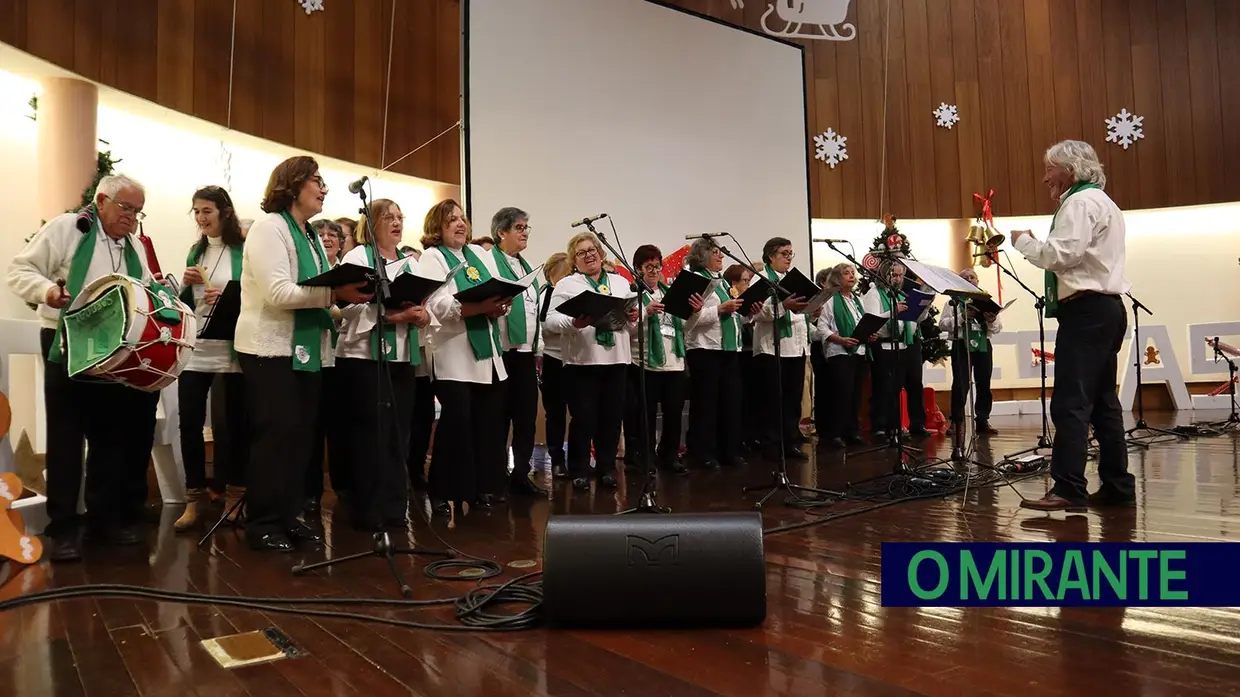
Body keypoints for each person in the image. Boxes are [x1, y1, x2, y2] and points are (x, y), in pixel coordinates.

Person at [8, 174, 163, 561]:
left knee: (109, 435)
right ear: (102, 199)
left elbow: (141, 288)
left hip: (113, 348)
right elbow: (19, 270)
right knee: (66, 436)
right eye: (126, 208)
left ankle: (103, 521)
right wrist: (48, 292)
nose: (131, 218)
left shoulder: (135, 247)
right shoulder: (69, 228)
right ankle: (62, 528)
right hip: (67, 339)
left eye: (137, 212)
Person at [235, 155, 372, 551]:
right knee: (275, 438)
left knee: (300, 440)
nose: (324, 188)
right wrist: (334, 293)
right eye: (317, 180)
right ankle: (261, 523)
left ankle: (287, 515)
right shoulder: (269, 228)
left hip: (306, 350)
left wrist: (344, 307)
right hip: (270, 350)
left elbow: (313, 296)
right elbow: (279, 293)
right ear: (293, 185)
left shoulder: (309, 234)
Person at [1011, 139, 1133, 511]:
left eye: (1050, 168)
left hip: (1086, 312)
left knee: (1071, 403)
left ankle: (1068, 488)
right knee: (1102, 404)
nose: (1045, 177)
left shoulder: (1078, 202)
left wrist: (1024, 243)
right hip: (1106, 310)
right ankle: (1116, 487)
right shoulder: (1103, 202)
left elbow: (1062, 255)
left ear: (1071, 169)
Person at [334, 199, 430, 530]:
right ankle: (368, 510)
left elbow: (423, 303)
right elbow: (347, 308)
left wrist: (421, 314)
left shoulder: (409, 262)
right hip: (365, 359)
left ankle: (394, 508)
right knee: (370, 435)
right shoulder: (358, 257)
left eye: (400, 217)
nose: (396, 222)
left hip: (402, 356)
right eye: (388, 217)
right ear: (371, 223)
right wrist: (391, 315)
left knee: (398, 436)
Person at [417, 199, 511, 518]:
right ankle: (443, 491)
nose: (460, 224)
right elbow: (438, 306)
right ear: (436, 228)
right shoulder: (432, 258)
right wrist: (481, 307)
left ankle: (482, 487)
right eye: (451, 220)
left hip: (486, 355)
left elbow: (496, 291)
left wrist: (501, 303)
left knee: (487, 425)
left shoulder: (478, 255)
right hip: (453, 353)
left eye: (462, 218)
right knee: (456, 426)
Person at [174, 185, 248, 532]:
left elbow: (256, 294)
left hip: (231, 347)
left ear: (225, 212)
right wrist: (186, 286)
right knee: (188, 422)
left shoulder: (243, 250)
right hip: (196, 347)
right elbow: (186, 304)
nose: (201, 218)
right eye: (197, 212)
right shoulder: (195, 251)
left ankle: (234, 494)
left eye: (207, 211)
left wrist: (231, 295)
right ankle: (194, 499)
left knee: (231, 424)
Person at [545, 231, 639, 490]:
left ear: (601, 253)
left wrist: (633, 319)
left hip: (617, 360)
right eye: (582, 252)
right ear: (574, 260)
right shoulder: (568, 285)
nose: (589, 255)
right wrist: (574, 322)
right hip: (582, 362)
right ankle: (579, 469)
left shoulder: (620, 283)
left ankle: (607, 468)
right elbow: (550, 321)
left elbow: (630, 329)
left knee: (611, 418)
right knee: (584, 419)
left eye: (592, 250)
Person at [490, 207, 548, 496]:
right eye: (519, 227)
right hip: (500, 352)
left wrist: (537, 350)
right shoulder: (489, 262)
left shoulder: (528, 268)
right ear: (502, 232)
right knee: (499, 418)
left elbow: (533, 312)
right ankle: (496, 475)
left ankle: (521, 475)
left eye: (527, 227)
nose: (525, 232)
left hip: (524, 354)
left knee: (525, 418)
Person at [623, 245, 689, 476]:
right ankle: (645, 458)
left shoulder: (670, 293)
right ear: (638, 270)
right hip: (644, 363)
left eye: (657, 266)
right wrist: (645, 313)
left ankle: (669, 456)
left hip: (674, 362)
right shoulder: (632, 295)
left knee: (673, 413)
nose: (654, 270)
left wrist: (696, 312)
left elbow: (684, 327)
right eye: (648, 266)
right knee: (645, 415)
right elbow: (626, 330)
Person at [682, 239, 747, 470]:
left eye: (721, 253)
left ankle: (728, 450)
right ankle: (704, 452)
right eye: (716, 253)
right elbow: (687, 320)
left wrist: (745, 312)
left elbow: (732, 316)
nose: (721, 257)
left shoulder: (720, 282)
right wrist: (719, 309)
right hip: (704, 349)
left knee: (730, 402)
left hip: (728, 349)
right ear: (702, 256)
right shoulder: (695, 280)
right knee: (706, 404)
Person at [751, 237, 814, 460]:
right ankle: (771, 445)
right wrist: (783, 306)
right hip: (771, 348)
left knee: (792, 399)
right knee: (772, 400)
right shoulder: (760, 280)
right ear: (771, 256)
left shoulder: (792, 280)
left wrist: (811, 310)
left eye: (790, 253)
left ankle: (791, 442)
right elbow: (755, 314)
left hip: (796, 347)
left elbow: (800, 312)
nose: (788, 258)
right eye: (784, 253)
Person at [862, 260, 929, 439]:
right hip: (884, 345)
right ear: (884, 274)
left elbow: (914, 319)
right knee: (885, 388)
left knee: (908, 385)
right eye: (894, 275)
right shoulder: (874, 294)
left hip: (905, 343)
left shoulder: (899, 294)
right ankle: (881, 426)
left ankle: (909, 424)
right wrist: (894, 310)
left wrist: (923, 307)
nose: (898, 279)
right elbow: (872, 320)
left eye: (901, 275)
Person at [815, 263, 874, 448]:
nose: (851, 276)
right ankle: (834, 434)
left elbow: (861, 322)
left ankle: (852, 432)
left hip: (859, 350)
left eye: (852, 273)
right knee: (841, 394)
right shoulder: (830, 300)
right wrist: (840, 340)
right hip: (839, 351)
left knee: (856, 394)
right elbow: (821, 327)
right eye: (845, 273)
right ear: (836, 278)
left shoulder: (857, 300)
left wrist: (869, 333)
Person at [938, 267, 1001, 436]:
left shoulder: (986, 299)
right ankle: (956, 421)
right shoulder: (952, 301)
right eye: (965, 277)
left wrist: (992, 320)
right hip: (961, 344)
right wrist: (962, 317)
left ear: (977, 281)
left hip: (983, 345)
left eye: (972, 277)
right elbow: (942, 324)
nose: (969, 279)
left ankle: (982, 420)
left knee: (984, 383)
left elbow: (997, 328)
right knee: (961, 384)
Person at [538, 252, 572, 479]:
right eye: (565, 274)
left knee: (581, 412)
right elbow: (543, 325)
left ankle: (579, 460)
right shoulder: (546, 294)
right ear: (552, 275)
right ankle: (557, 458)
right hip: (553, 358)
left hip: (576, 358)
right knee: (556, 412)